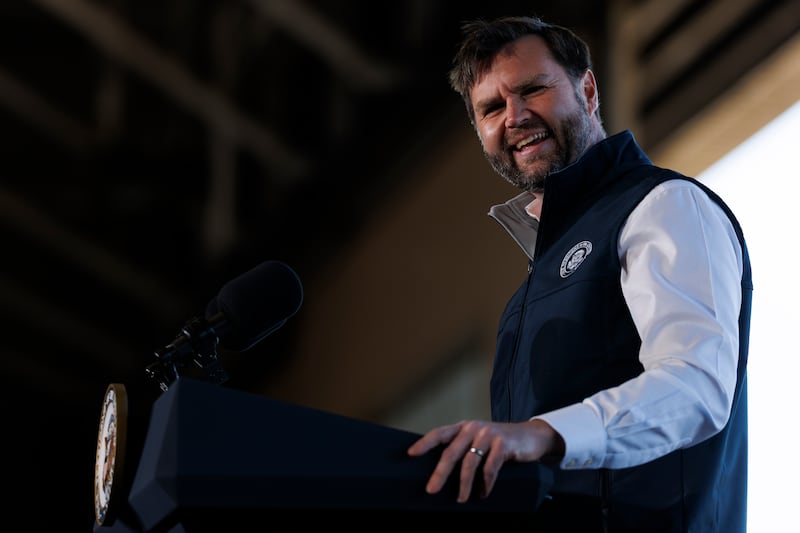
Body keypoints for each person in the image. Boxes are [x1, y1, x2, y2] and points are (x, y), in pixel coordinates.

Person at [406, 15, 752, 533]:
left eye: (533, 90)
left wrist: (541, 433)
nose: (515, 116)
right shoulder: (523, 298)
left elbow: (695, 384)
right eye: (492, 108)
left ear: (587, 89)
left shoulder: (663, 203)